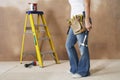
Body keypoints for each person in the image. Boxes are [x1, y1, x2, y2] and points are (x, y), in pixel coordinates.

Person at [65, 0, 92, 78]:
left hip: (81, 19)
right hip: (74, 21)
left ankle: (84, 71)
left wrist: (87, 20)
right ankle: (75, 68)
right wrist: (71, 21)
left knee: (82, 46)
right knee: (69, 45)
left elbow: (87, 3)